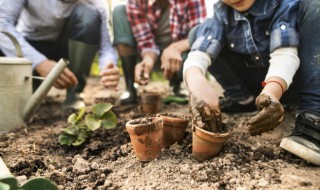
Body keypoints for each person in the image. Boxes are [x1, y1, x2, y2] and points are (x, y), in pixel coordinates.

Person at [185, 0, 320, 165]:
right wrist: (197, 81)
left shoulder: (280, 5)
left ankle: (313, 118)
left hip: (291, 82)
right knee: (197, 34)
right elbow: (199, 54)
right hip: (257, 87)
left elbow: (284, 55)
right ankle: (244, 101)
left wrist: (271, 92)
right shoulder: (221, 13)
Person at [0, 0, 118, 110]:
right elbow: (2, 24)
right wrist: (39, 62)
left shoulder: (98, 3)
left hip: (67, 48)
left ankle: (74, 94)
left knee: (89, 15)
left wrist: (108, 65)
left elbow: (106, 45)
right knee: (22, 104)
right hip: (31, 46)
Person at [111, 0, 207, 104]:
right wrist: (148, 59)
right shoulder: (135, 2)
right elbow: (146, 41)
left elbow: (200, 34)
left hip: (180, 56)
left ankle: (176, 85)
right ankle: (130, 87)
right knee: (119, 11)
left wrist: (175, 48)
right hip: (150, 54)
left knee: (195, 53)